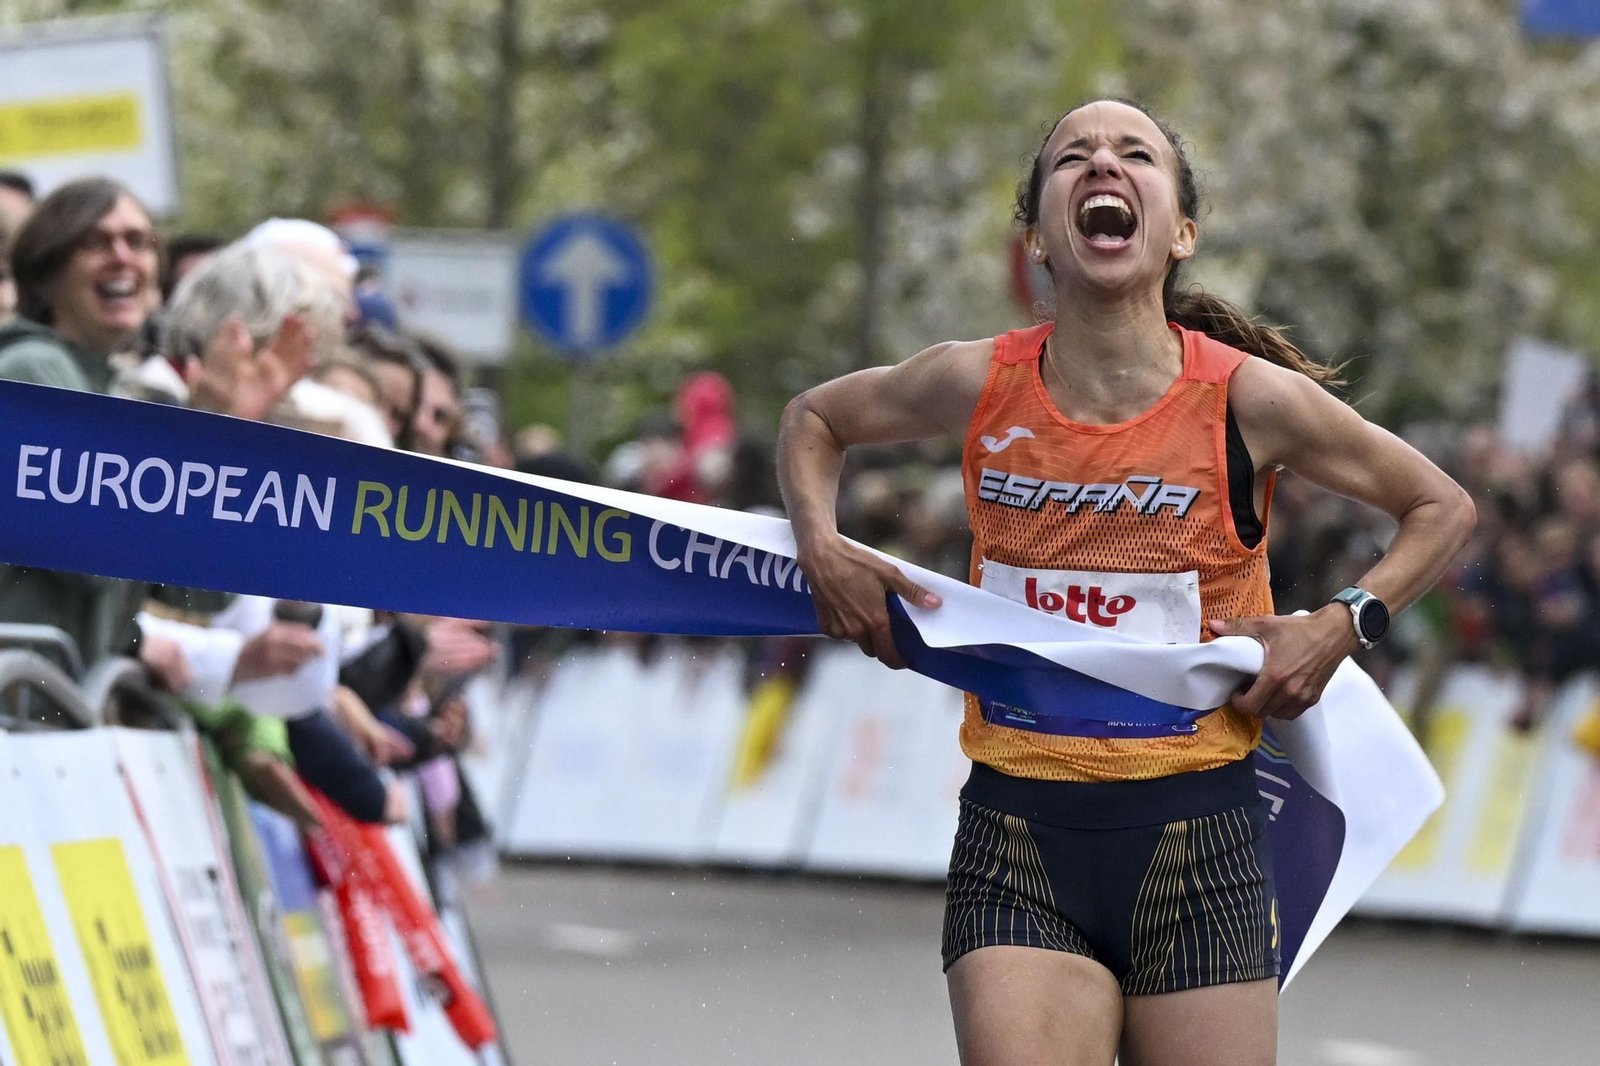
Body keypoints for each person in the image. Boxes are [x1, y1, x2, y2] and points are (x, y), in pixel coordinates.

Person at [776, 99, 1476, 1066]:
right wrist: (821, 542)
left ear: (1180, 229)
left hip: (1202, 839)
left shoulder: (1246, 399)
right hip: (1020, 831)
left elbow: (1442, 508)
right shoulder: (978, 383)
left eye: (1134, 154)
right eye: (1074, 157)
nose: (1102, 163)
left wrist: (1341, 623)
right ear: (1038, 239)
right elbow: (814, 419)